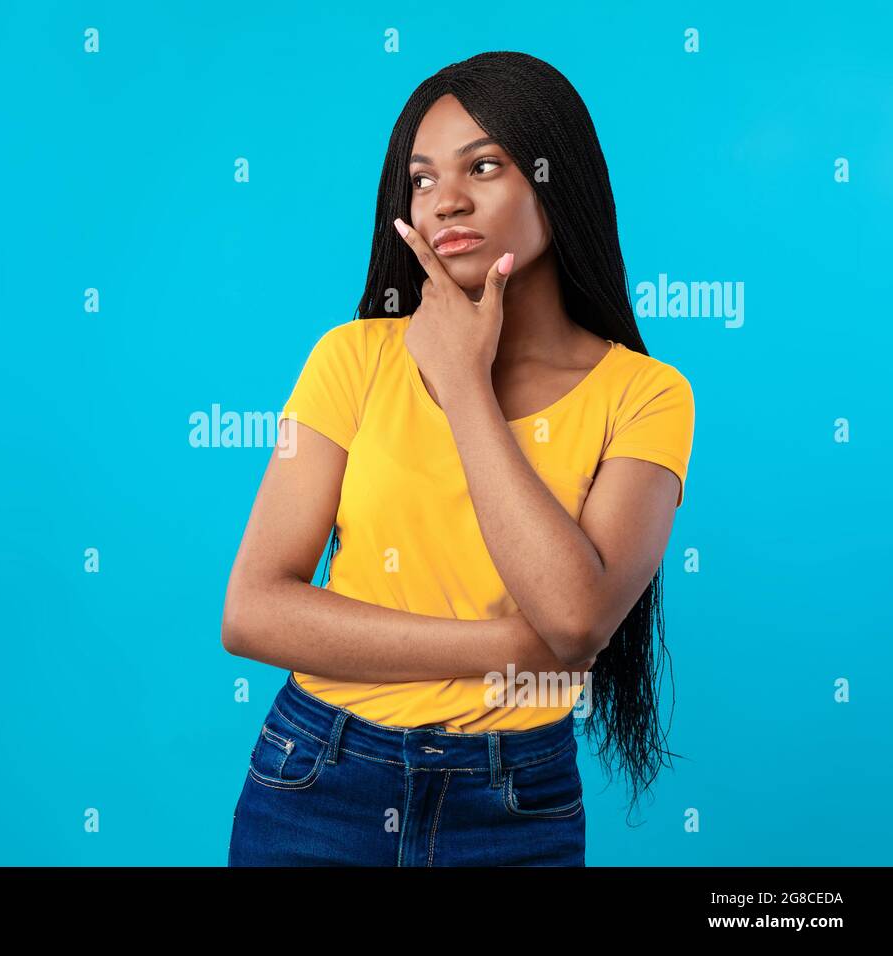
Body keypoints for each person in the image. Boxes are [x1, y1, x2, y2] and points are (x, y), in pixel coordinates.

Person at [221, 51, 695, 866]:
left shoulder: (647, 395)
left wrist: (464, 384)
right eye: (423, 178)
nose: (447, 200)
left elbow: (577, 619)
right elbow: (254, 611)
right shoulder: (353, 358)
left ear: (558, 179)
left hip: (514, 802)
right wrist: (514, 649)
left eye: (484, 166)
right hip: (316, 781)